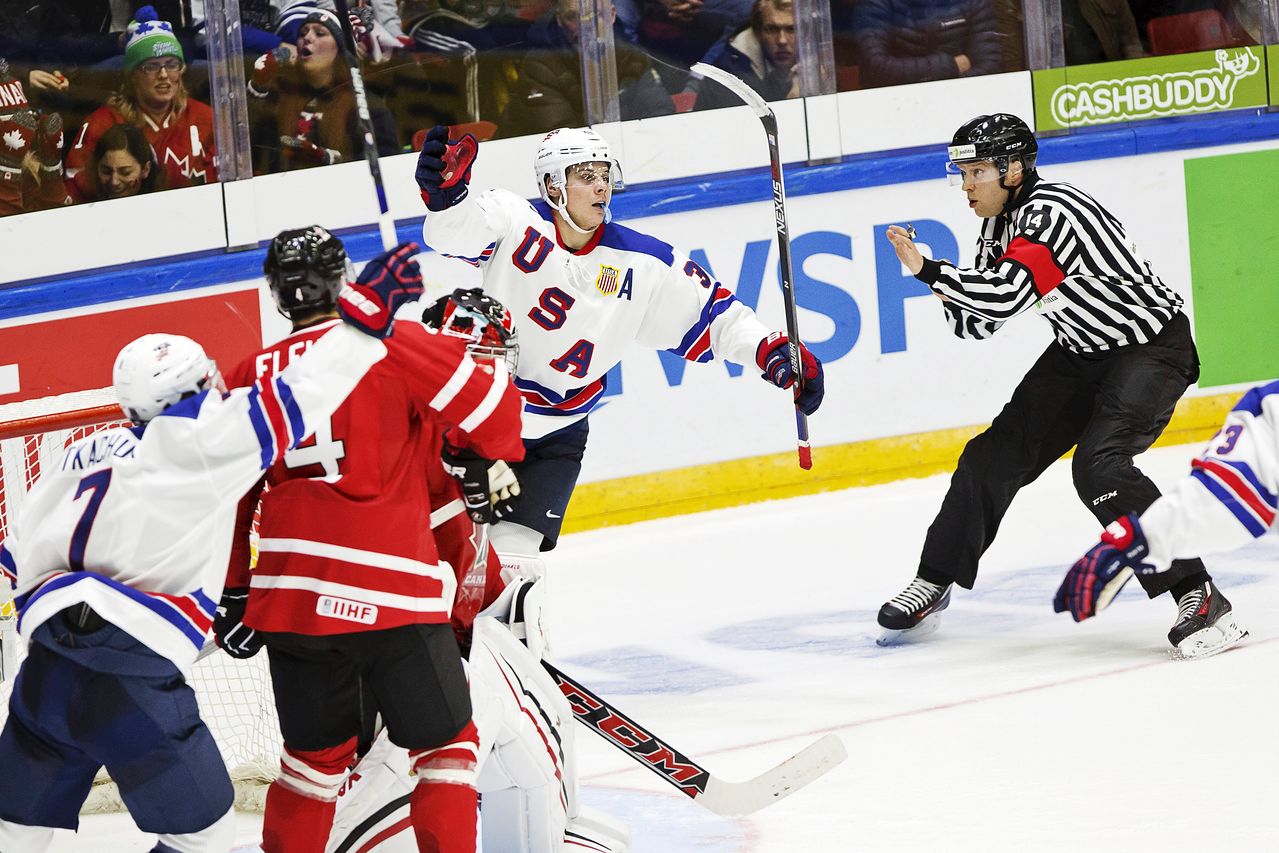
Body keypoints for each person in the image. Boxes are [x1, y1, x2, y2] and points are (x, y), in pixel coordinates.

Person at [0, 246, 424, 852]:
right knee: (200, 839)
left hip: (45, 671)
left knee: (16, 829)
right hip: (132, 677)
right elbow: (303, 391)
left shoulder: (80, 455)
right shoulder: (196, 446)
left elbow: (14, 555)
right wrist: (367, 312)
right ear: (193, 388)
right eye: (207, 376)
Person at [875, 113, 1245, 659]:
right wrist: (942, 282)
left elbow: (998, 297)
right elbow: (976, 323)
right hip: (1079, 354)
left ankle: (1198, 594)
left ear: (1015, 170)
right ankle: (936, 579)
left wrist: (928, 271)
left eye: (976, 171)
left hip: (1148, 351)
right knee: (990, 458)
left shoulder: (1054, 214)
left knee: (1100, 467)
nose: (966, 185)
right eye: (962, 173)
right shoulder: (997, 225)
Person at [215, 227, 525, 853]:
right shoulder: (387, 347)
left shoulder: (250, 371)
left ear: (277, 295)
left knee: (311, 766)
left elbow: (228, 491)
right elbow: (497, 418)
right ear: (345, 280)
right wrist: (401, 340)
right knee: (447, 752)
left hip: (290, 602)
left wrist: (234, 592)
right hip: (388, 593)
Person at [414, 124, 825, 568]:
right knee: (441, 565)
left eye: (604, 174)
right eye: (585, 176)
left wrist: (772, 352)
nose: (601, 186)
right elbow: (454, 233)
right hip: (479, 427)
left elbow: (720, 319)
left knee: (513, 571)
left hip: (556, 439)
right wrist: (447, 196)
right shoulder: (513, 220)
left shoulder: (645, 262)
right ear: (553, 185)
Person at [319, 288, 631, 853]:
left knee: (540, 723)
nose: (490, 380)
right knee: (426, 771)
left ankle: (547, 835)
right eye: (476, 363)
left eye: (496, 363)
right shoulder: (408, 437)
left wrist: (509, 607)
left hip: (423, 656)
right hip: (391, 660)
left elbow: (466, 557)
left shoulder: (464, 444)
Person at [1052, 380, 1272, 656]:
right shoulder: (1266, 407)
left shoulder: (1265, 406)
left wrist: (1144, 537)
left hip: (1152, 355)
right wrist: (1144, 536)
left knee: (1098, 467)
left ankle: (1196, 590)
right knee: (1094, 471)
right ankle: (1197, 592)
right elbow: (1229, 491)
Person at [64, 8, 217, 198]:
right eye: (151, 66)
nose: (163, 75)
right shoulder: (102, 123)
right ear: (133, 75)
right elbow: (75, 188)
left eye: (171, 64)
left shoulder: (205, 118)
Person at [247, 8, 398, 172]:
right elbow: (250, 151)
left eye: (320, 33)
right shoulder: (282, 94)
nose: (307, 38)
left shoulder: (367, 107)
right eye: (303, 33)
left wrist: (330, 160)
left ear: (341, 51)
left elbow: (386, 167)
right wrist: (257, 86)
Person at [502, 0, 673, 137]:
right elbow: (561, 139)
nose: (586, 26)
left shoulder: (631, 56)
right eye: (573, 17)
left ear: (612, 15)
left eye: (596, 15)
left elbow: (661, 116)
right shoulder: (539, 65)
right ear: (559, 20)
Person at [852, 0, 1002, 88]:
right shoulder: (876, 3)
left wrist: (946, 95)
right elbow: (876, 68)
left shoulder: (971, 2)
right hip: (896, 111)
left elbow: (990, 67)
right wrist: (951, 66)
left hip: (962, 107)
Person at [695, 0, 799, 111]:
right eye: (771, 29)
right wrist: (793, 103)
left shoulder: (817, 67)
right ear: (758, 33)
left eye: (791, 29)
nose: (782, 40)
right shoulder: (727, 78)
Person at [0, 58, 69, 216]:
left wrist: (51, 173)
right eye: (9, 128)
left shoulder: (28, 169)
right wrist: (6, 175)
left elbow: (56, 226)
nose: (17, 136)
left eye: (23, 125)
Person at [77, 121, 165, 202]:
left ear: (146, 169)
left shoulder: (163, 202)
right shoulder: (78, 194)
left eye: (125, 172)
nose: (114, 182)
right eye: (106, 172)